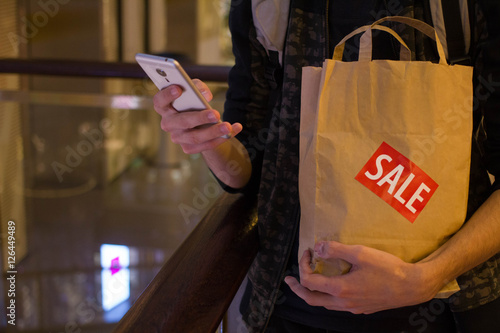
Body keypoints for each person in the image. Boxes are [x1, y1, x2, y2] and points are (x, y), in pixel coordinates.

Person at [153, 1, 500, 332]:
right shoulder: (268, 6)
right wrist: (209, 140)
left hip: (446, 309)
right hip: (287, 302)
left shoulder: (465, 8)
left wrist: (430, 277)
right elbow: (251, 168)